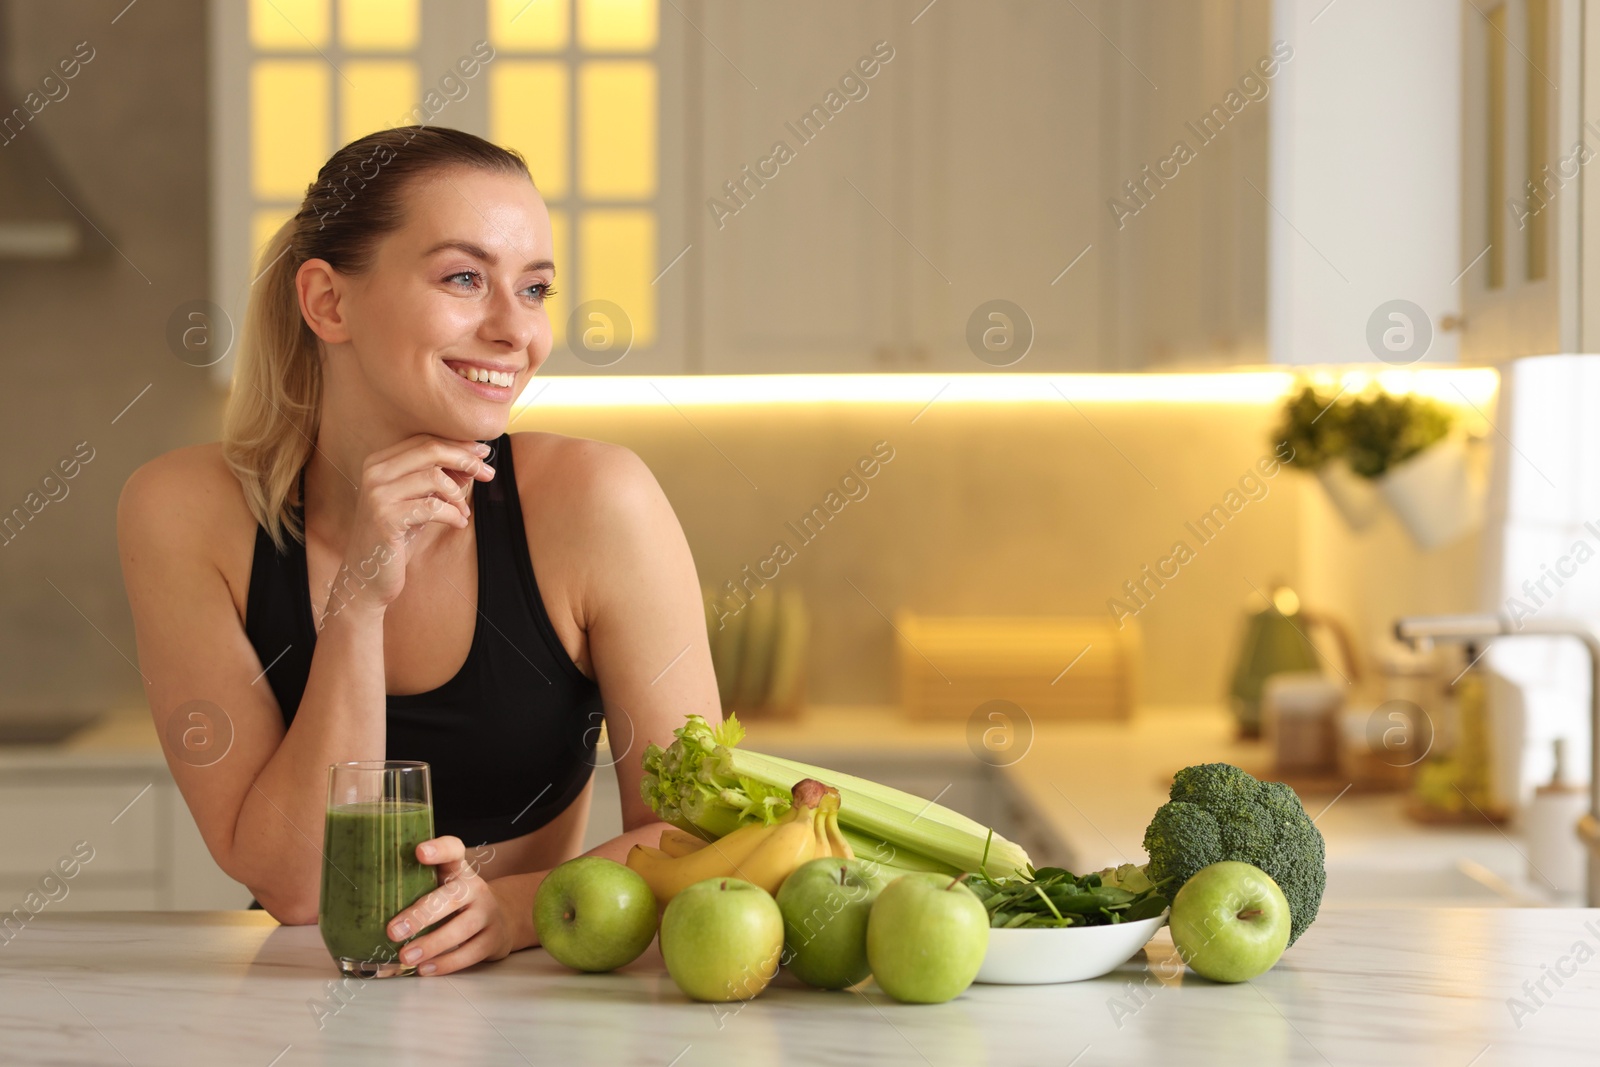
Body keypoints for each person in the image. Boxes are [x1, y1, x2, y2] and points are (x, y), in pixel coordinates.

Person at [116, 126, 719, 976]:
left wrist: (512, 910)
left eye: (536, 287)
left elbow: (698, 834)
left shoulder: (597, 502)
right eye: (465, 278)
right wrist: (357, 604)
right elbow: (296, 888)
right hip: (300, 1006)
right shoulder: (182, 513)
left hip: (539, 998)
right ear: (328, 302)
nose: (518, 331)